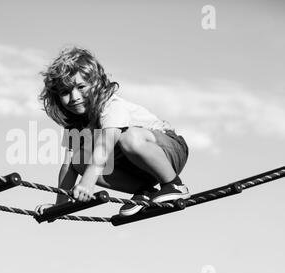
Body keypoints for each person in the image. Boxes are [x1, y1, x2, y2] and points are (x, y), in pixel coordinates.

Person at [35, 47, 190, 216]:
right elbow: (67, 166)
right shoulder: (74, 124)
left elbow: (105, 144)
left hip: (169, 152)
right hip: (138, 169)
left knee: (127, 138)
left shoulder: (110, 105)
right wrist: (59, 206)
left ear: (96, 84)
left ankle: (174, 184)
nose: (74, 97)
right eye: (65, 92)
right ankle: (145, 191)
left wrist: (87, 181)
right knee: (78, 160)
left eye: (81, 87)